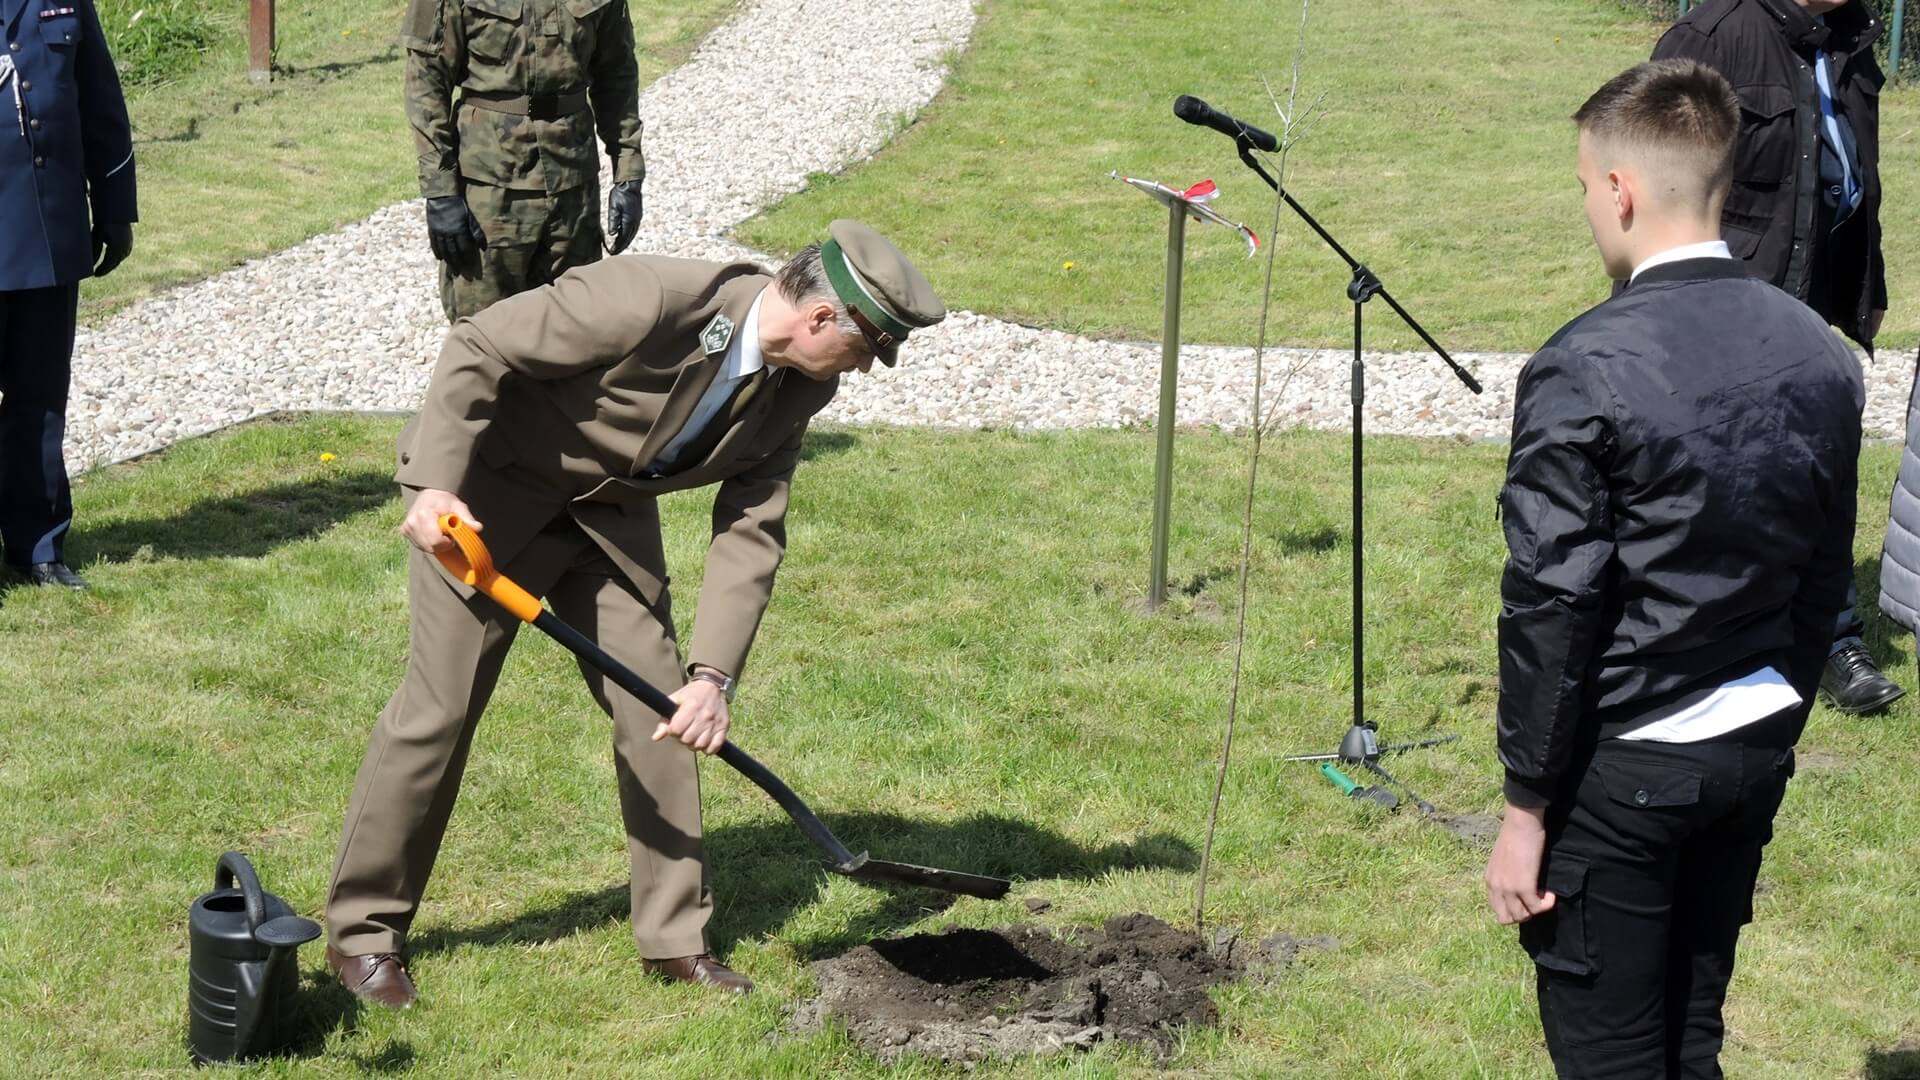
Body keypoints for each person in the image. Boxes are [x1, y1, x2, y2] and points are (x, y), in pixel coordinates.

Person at [324, 220, 946, 1006]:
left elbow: (753, 523)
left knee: (662, 709)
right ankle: (364, 936)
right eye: (864, 350)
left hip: (604, 526)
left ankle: (675, 941)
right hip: (488, 507)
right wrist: (432, 485)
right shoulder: (653, 297)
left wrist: (712, 676)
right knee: (437, 714)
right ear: (821, 319)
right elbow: (483, 343)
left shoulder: (802, 385)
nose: (857, 371)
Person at [1487, 61, 1862, 1078]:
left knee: (1612, 1052)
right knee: (1691, 1033)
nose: (1587, 212)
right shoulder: (1820, 352)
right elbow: (1827, 570)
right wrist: (1779, 704)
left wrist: (1525, 808)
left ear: (1619, 189)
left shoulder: (1584, 365)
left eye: (1582, 189)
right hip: (1751, 745)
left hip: (1631, 769)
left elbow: (1554, 600)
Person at [1652, 0, 1898, 714]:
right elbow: (1650, 175)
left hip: (1814, 291)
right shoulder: (1713, 35)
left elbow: (1857, 177)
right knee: (1714, 469)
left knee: (1820, 459)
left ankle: (1833, 638)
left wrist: (1866, 283)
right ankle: (1705, 642)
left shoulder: (1852, 37)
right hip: (1719, 296)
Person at [0, 0, 135, 590]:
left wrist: (113, 208)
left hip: (45, 229)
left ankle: (39, 546)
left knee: (40, 397)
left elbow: (99, 99)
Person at [401, 0, 645, 323]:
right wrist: (441, 192)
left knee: (581, 331)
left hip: (574, 190)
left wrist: (627, 172)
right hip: (491, 194)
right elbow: (425, 82)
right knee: (487, 339)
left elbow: (617, 72)